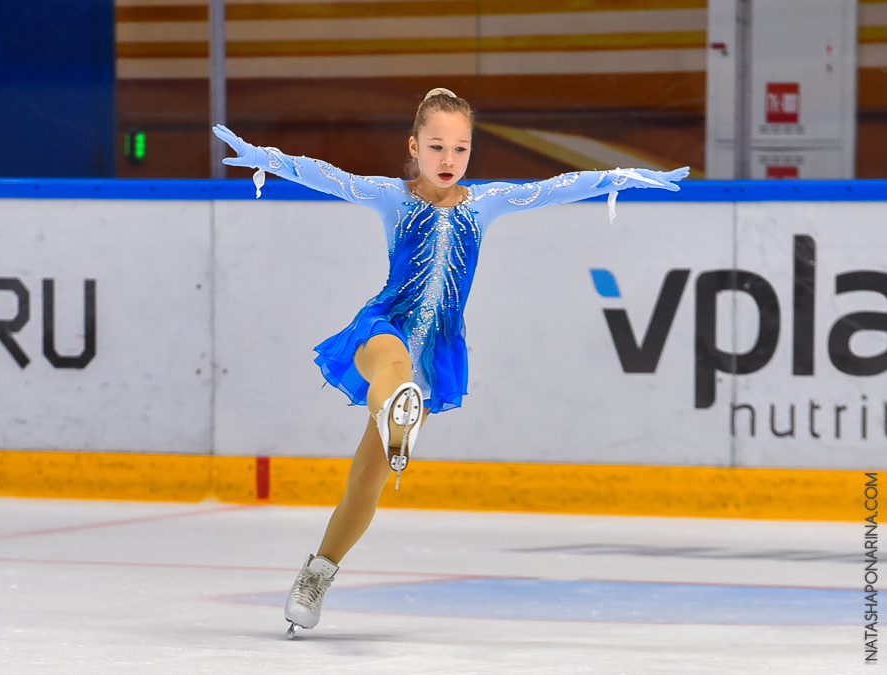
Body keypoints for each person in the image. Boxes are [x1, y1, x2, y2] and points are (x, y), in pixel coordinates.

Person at [212, 88, 688, 637]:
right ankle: (396, 410)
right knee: (391, 368)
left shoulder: (486, 202)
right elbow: (329, 176)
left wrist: (619, 177)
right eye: (436, 147)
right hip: (384, 324)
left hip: (437, 348)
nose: (447, 160)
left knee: (365, 482)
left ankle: (318, 571)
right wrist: (269, 161)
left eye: (459, 149)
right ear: (413, 147)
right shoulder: (394, 197)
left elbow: (556, 188)